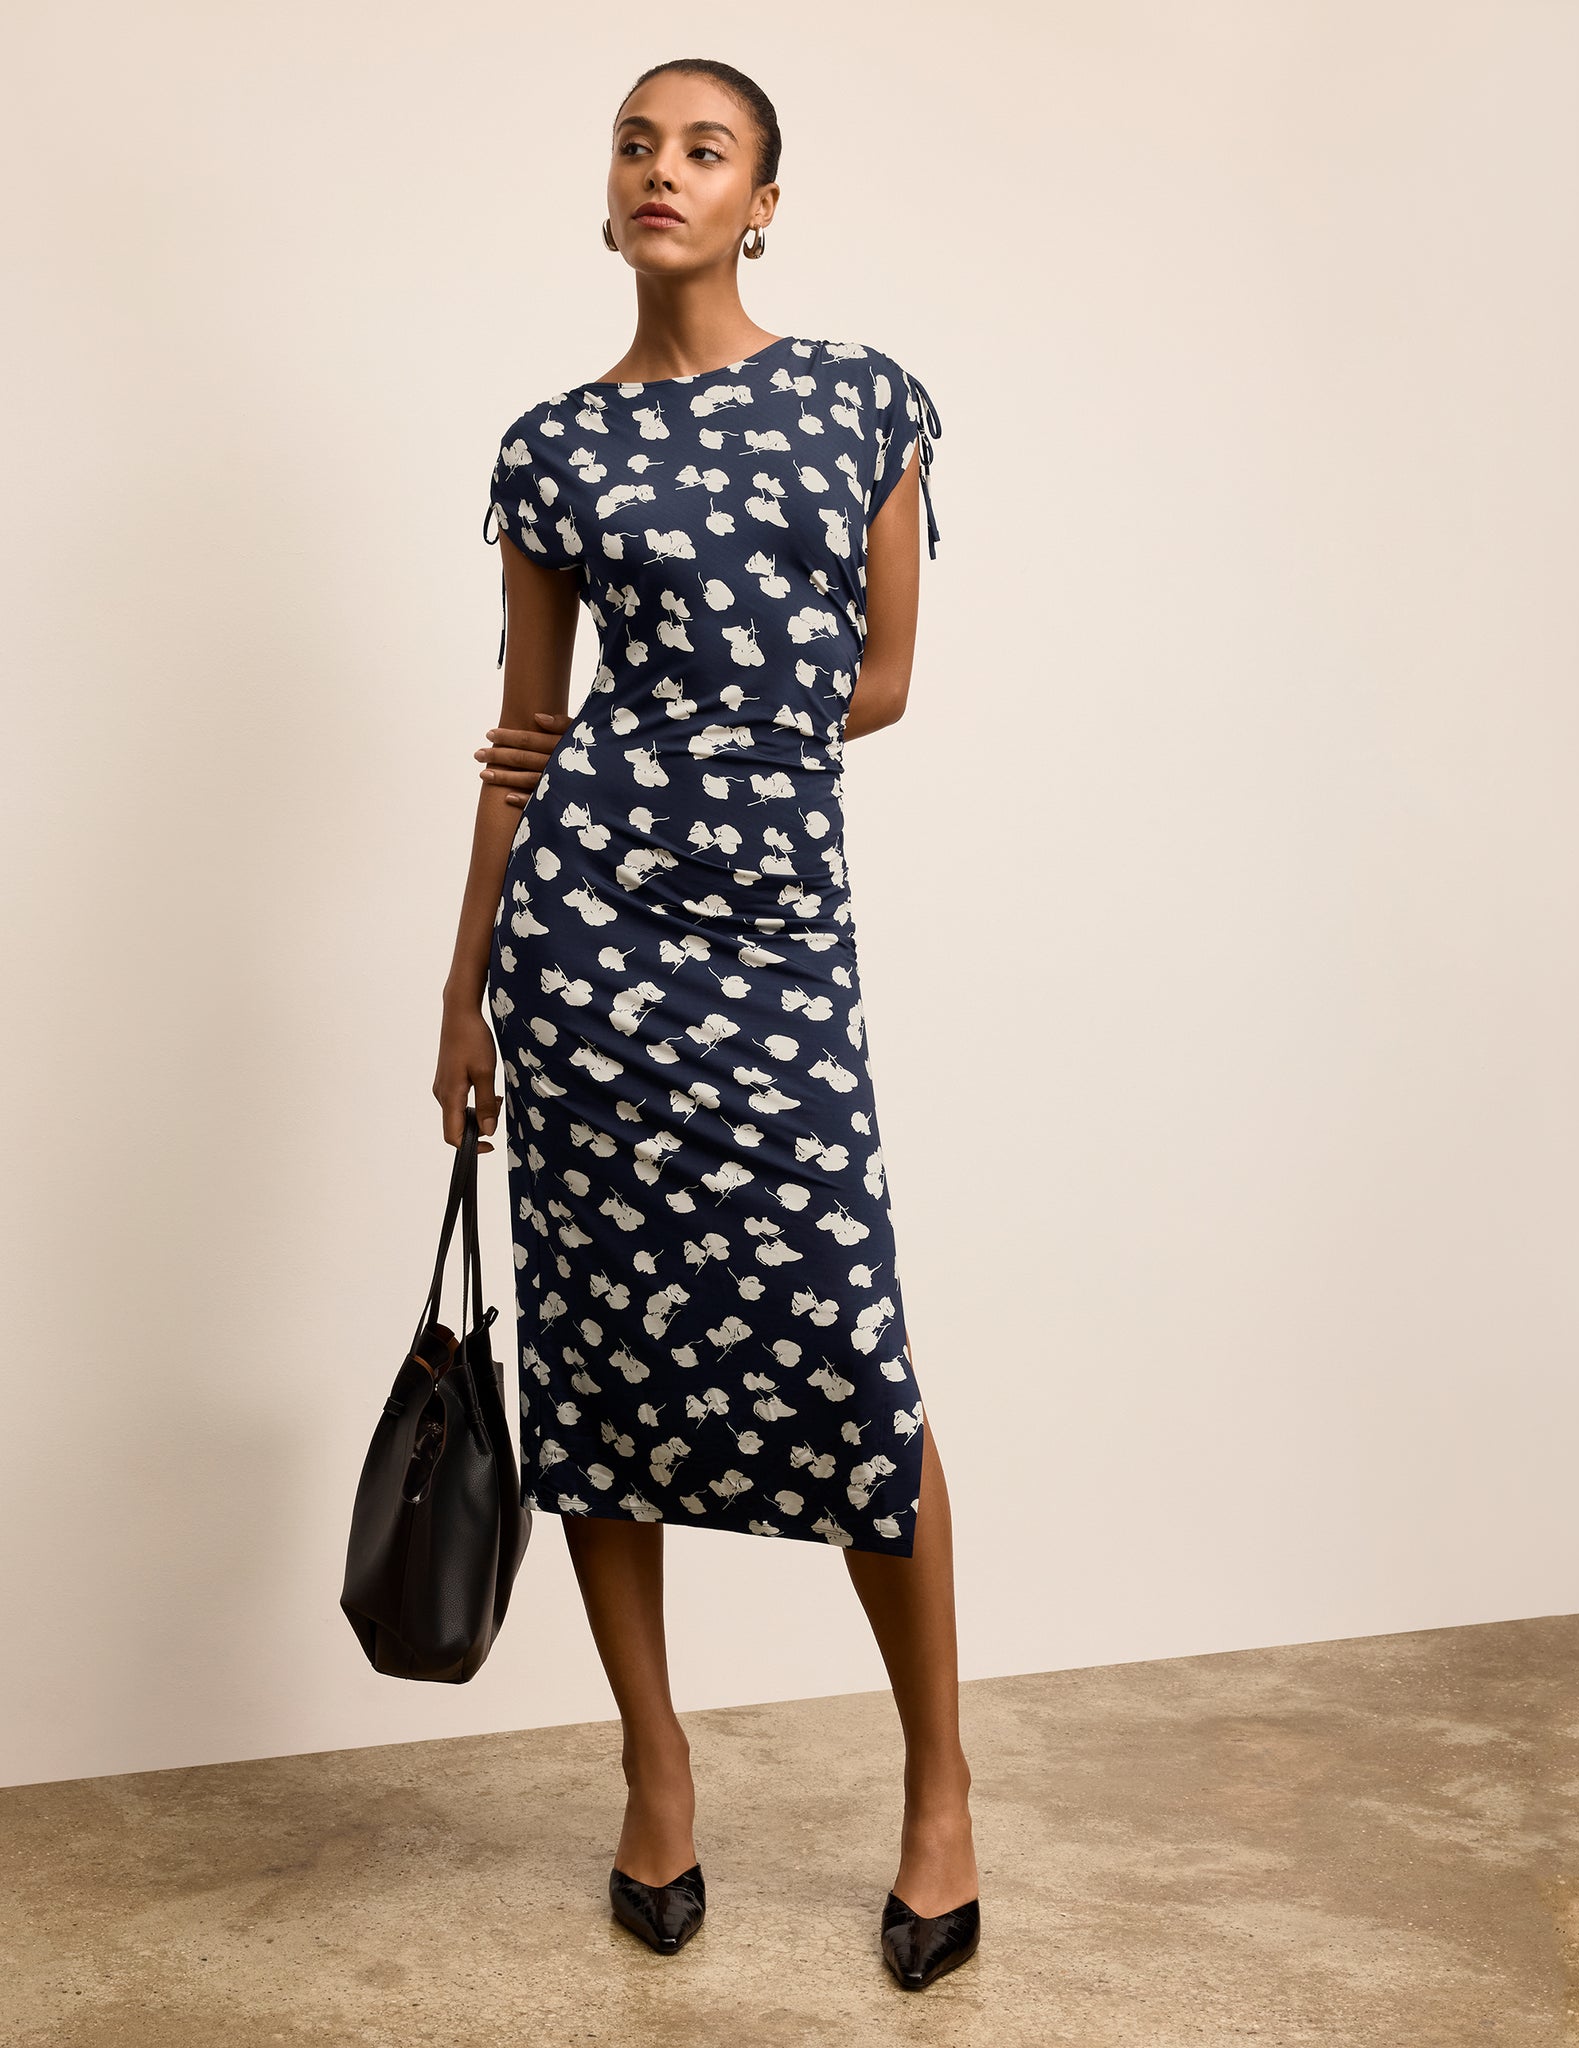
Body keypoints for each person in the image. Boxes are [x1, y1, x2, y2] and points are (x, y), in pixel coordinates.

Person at [433, 57, 977, 1991]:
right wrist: (464, 981)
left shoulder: (861, 402)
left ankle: (941, 1787)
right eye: (637, 146)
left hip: (767, 946)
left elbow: (887, 679)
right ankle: (655, 1772)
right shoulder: (550, 449)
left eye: (707, 149)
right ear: (609, 196)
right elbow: (522, 738)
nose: (665, 171)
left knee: (847, 1352)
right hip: (582, 958)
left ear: (764, 202)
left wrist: (715, 758)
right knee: (596, 1371)